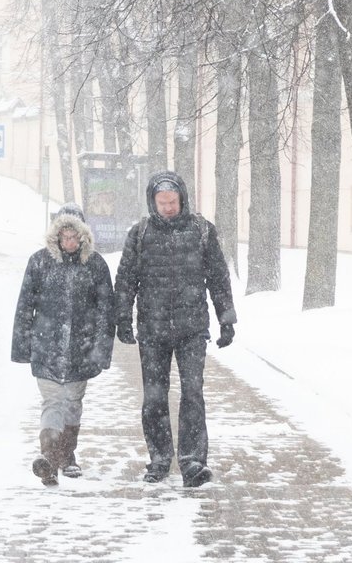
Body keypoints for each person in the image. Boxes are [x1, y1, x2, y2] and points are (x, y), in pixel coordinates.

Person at [115, 170, 237, 488]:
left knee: (192, 393)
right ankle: (159, 458)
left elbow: (218, 278)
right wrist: (122, 317)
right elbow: (126, 279)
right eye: (162, 202)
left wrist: (226, 318)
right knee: (154, 397)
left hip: (191, 328)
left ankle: (192, 460)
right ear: (152, 202)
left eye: (173, 201)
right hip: (152, 330)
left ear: (182, 199)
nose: (168, 208)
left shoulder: (201, 231)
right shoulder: (140, 234)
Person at [11, 203, 116, 486]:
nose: (69, 242)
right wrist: (22, 345)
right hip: (46, 346)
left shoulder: (95, 265)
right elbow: (25, 305)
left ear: (83, 236)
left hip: (81, 349)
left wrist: (101, 349)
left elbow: (106, 311)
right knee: (52, 402)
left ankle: (67, 456)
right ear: (56, 236)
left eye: (74, 237)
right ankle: (48, 457)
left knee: (72, 403)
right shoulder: (39, 262)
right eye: (64, 236)